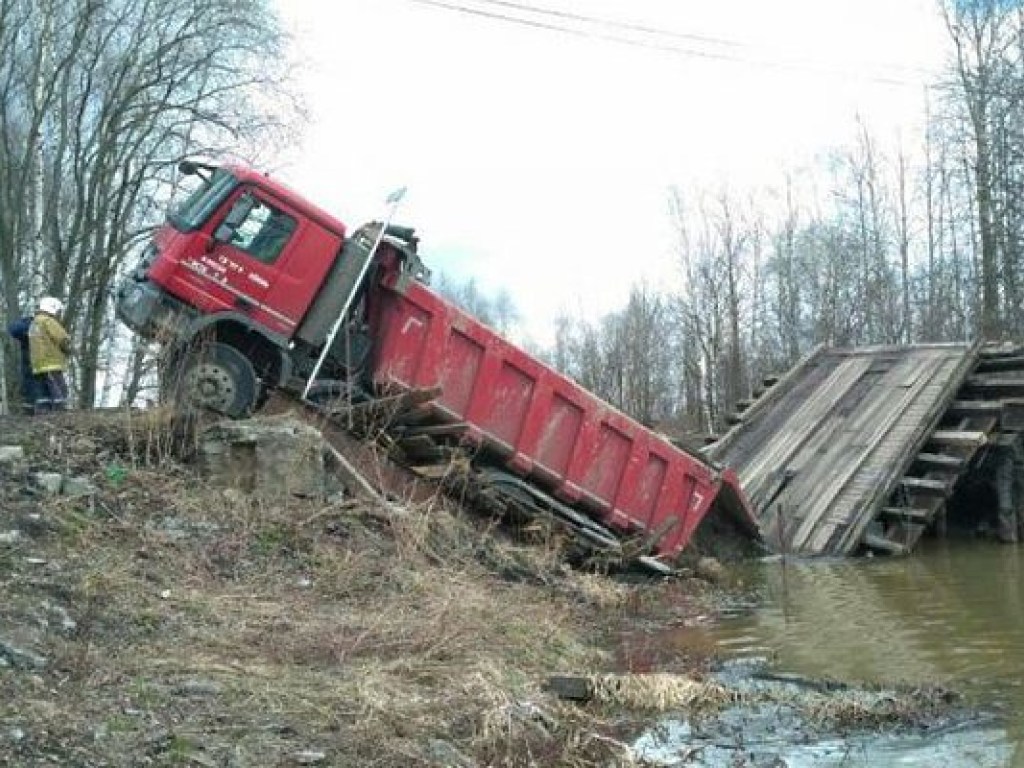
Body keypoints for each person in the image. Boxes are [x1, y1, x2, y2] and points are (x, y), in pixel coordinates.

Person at [29, 296, 71, 412]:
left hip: (37, 364)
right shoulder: (48, 321)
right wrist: (68, 349)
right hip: (51, 361)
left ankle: (43, 412)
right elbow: (62, 338)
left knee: (42, 390)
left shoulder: (34, 323)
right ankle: (60, 410)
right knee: (59, 387)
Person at [6, 313, 38, 414]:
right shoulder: (28, 324)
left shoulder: (46, 324)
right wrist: (29, 323)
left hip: (42, 361)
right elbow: (13, 329)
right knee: (29, 384)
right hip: (29, 361)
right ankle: (30, 411)